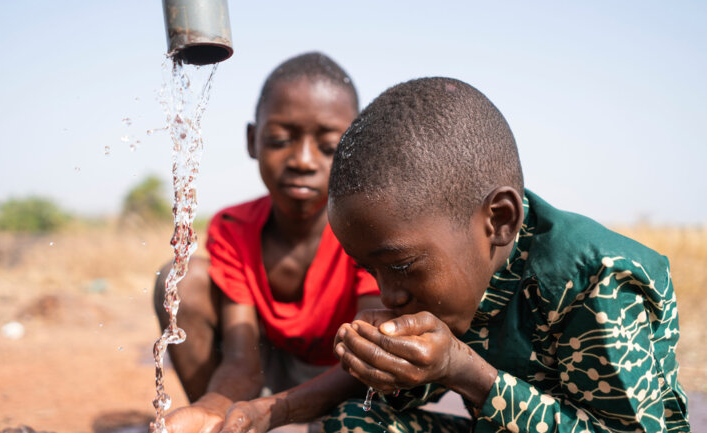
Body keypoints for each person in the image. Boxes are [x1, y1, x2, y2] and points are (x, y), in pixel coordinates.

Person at [323, 77, 689, 432]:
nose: (389, 296)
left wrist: (464, 370)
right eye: (371, 270)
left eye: (402, 266)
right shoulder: (466, 274)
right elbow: (416, 392)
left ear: (499, 220)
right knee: (356, 423)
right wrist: (388, 362)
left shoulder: (594, 279)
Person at [153, 52, 381, 433]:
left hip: (345, 379)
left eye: (328, 146)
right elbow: (242, 361)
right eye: (280, 140)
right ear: (252, 140)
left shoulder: (368, 229)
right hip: (266, 368)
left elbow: (368, 359)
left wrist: (277, 411)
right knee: (181, 281)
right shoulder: (234, 228)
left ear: (353, 151)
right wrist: (214, 409)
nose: (303, 160)